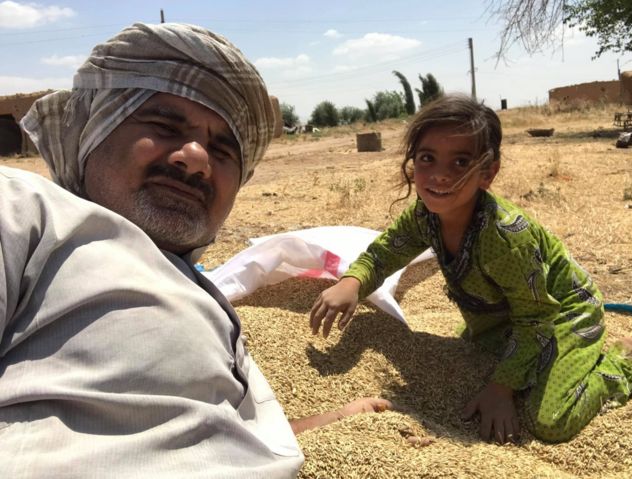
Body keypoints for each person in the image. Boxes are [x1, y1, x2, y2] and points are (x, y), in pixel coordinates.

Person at [0, 23, 390, 478]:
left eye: (224, 150)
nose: (197, 158)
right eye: (165, 126)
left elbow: (193, 427)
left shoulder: (206, 296)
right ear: (93, 131)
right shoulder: (27, 212)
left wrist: (324, 424)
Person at [309, 94, 632, 444]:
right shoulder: (423, 215)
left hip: (561, 312)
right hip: (504, 316)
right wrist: (351, 282)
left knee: (549, 420)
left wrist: (501, 389)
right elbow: (382, 256)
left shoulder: (506, 238)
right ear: (413, 163)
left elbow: (535, 318)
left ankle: (624, 363)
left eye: (460, 161)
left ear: (488, 173)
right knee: (469, 359)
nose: (439, 175)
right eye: (427, 158)